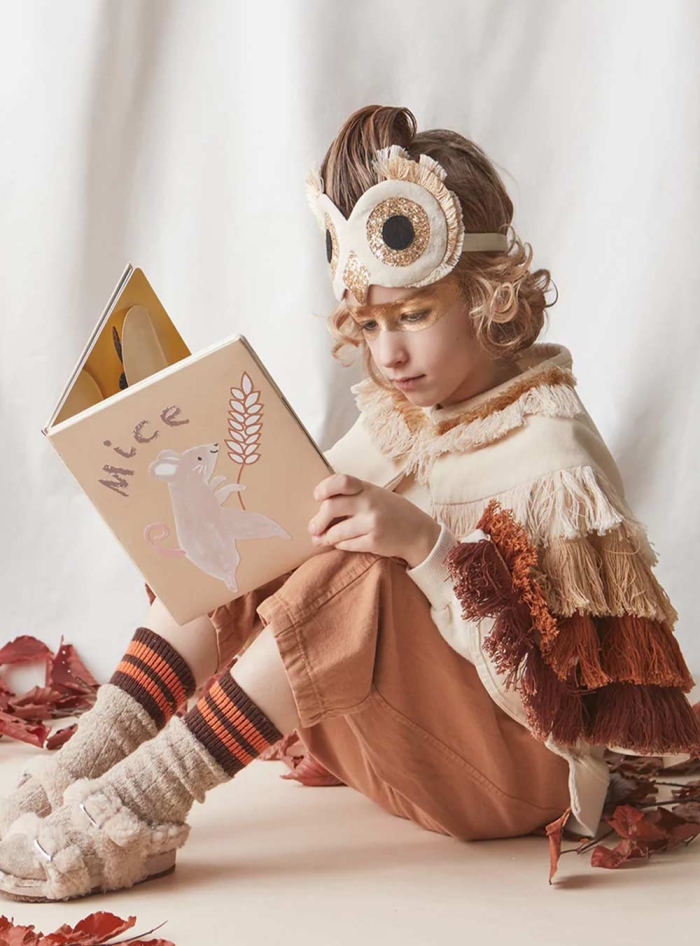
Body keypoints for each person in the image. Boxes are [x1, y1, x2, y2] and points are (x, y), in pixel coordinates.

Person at [0, 104, 697, 903]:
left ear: (490, 298)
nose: (388, 353)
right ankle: (86, 762)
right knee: (262, 525)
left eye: (415, 316)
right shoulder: (400, 417)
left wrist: (428, 550)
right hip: (396, 757)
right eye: (369, 323)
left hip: (512, 782)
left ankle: (143, 803)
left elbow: (560, 713)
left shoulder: (553, 457)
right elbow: (282, 549)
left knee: (364, 570)